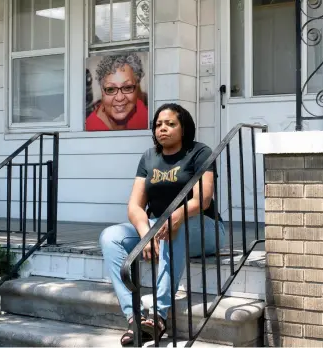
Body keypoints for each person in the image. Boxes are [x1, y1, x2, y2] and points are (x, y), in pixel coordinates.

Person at [99, 103, 225, 346]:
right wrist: (146, 233)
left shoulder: (199, 153)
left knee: (173, 227)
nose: (162, 128)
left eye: (170, 124)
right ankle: (134, 317)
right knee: (110, 237)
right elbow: (135, 206)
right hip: (158, 227)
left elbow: (203, 199)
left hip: (203, 227)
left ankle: (158, 315)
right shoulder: (149, 157)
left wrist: (174, 217)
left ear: (184, 127)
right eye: (158, 124)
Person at [86, 53, 148, 131]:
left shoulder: (140, 109)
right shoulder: (92, 129)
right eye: (111, 89)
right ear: (102, 92)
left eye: (127, 88)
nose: (119, 98)